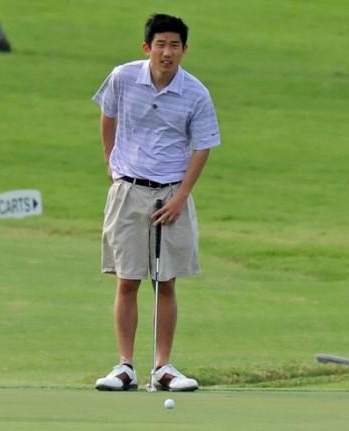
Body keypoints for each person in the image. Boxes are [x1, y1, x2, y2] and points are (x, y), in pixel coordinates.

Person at [90, 14, 219, 392]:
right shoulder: (123, 77)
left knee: (166, 283)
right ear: (147, 47)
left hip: (171, 194)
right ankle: (125, 366)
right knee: (127, 281)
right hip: (129, 190)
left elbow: (202, 147)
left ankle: (162, 367)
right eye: (160, 44)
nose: (167, 52)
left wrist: (181, 198)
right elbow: (108, 116)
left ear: (184, 50)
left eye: (174, 45)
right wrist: (111, 164)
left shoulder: (196, 93)